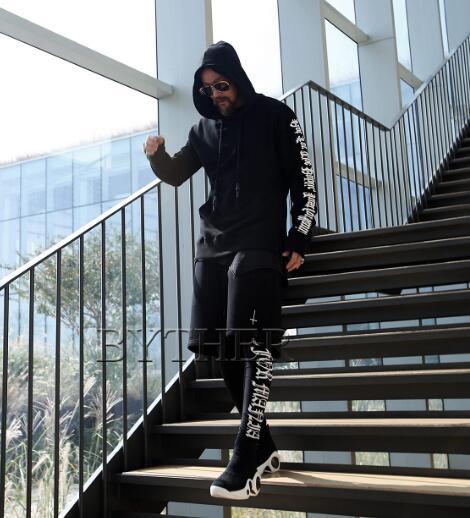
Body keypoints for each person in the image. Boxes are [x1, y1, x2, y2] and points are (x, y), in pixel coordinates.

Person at [144, 40, 317, 500]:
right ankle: (265, 445)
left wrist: (299, 234)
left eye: (222, 85)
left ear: (237, 79)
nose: (216, 94)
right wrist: (157, 156)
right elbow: (177, 172)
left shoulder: (277, 116)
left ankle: (246, 455)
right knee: (221, 350)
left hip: (259, 244)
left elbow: (304, 179)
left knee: (252, 347)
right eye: (208, 89)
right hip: (212, 248)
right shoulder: (203, 130)